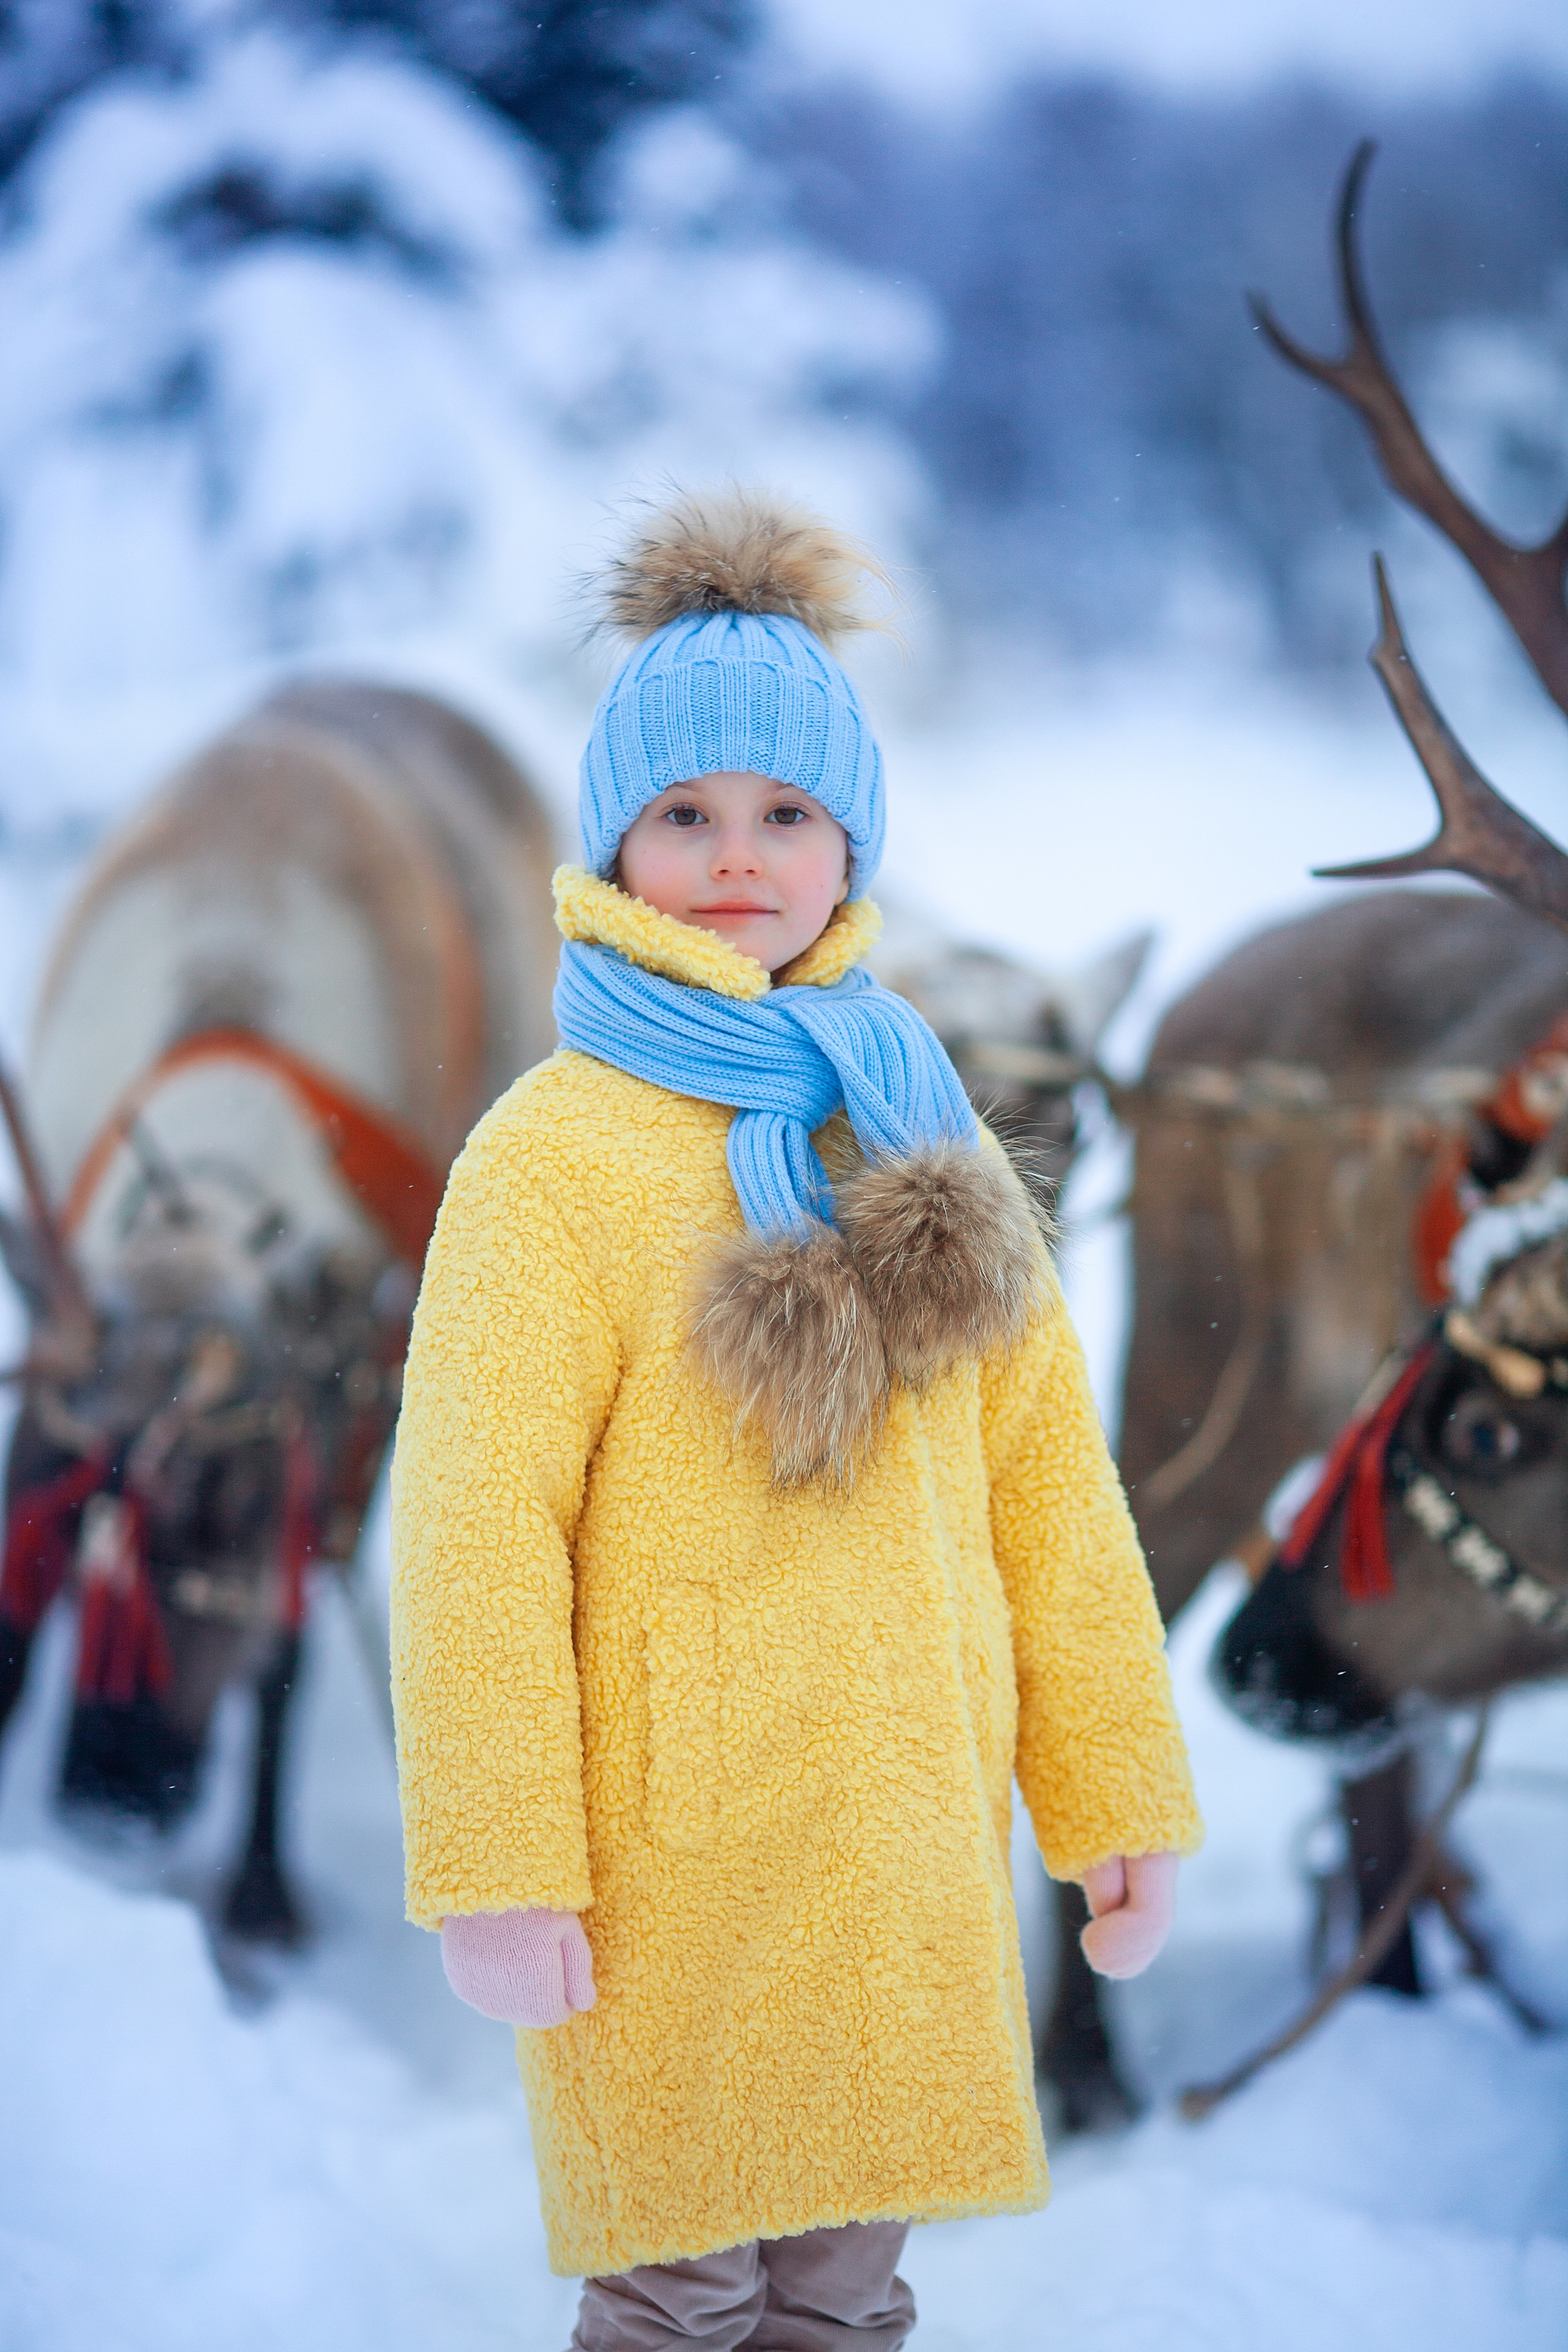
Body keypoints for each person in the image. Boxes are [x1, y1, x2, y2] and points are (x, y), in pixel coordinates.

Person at [390, 489, 1202, 2351]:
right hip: (671, 1849)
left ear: (852, 845)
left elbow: (1046, 1494)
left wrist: (1113, 1795)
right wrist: (499, 1855)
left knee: (849, 2292)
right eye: (684, 816)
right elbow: (477, 1527)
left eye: (784, 816)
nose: (736, 858)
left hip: (904, 1830)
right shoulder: (553, 1156)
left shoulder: (916, 1126)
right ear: (615, 844)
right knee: (679, 2283)